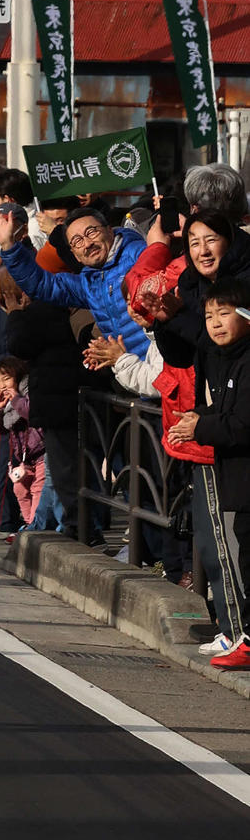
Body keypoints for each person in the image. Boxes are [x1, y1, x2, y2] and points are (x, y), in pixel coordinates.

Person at [169, 278, 250, 668]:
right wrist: (198, 417)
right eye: (209, 315)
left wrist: (198, 427)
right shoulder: (225, 357)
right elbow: (225, 413)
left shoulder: (246, 360)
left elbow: (242, 424)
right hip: (238, 476)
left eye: (225, 313)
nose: (216, 323)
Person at [0, 203, 151, 356]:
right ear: (74, 255)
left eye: (91, 232)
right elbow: (42, 285)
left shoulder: (138, 255)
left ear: (109, 230)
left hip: (159, 368)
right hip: (130, 372)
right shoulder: (89, 282)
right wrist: (9, 246)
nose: (87, 244)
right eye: (77, 241)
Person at [0, 356, 45, 527]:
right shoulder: (6, 404)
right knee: (20, 489)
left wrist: (17, 400)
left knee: (37, 490)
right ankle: (28, 524)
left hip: (40, 452)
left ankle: (34, 527)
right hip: (25, 459)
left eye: (6, 379)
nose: (2, 386)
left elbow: (31, 412)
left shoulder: (24, 395)